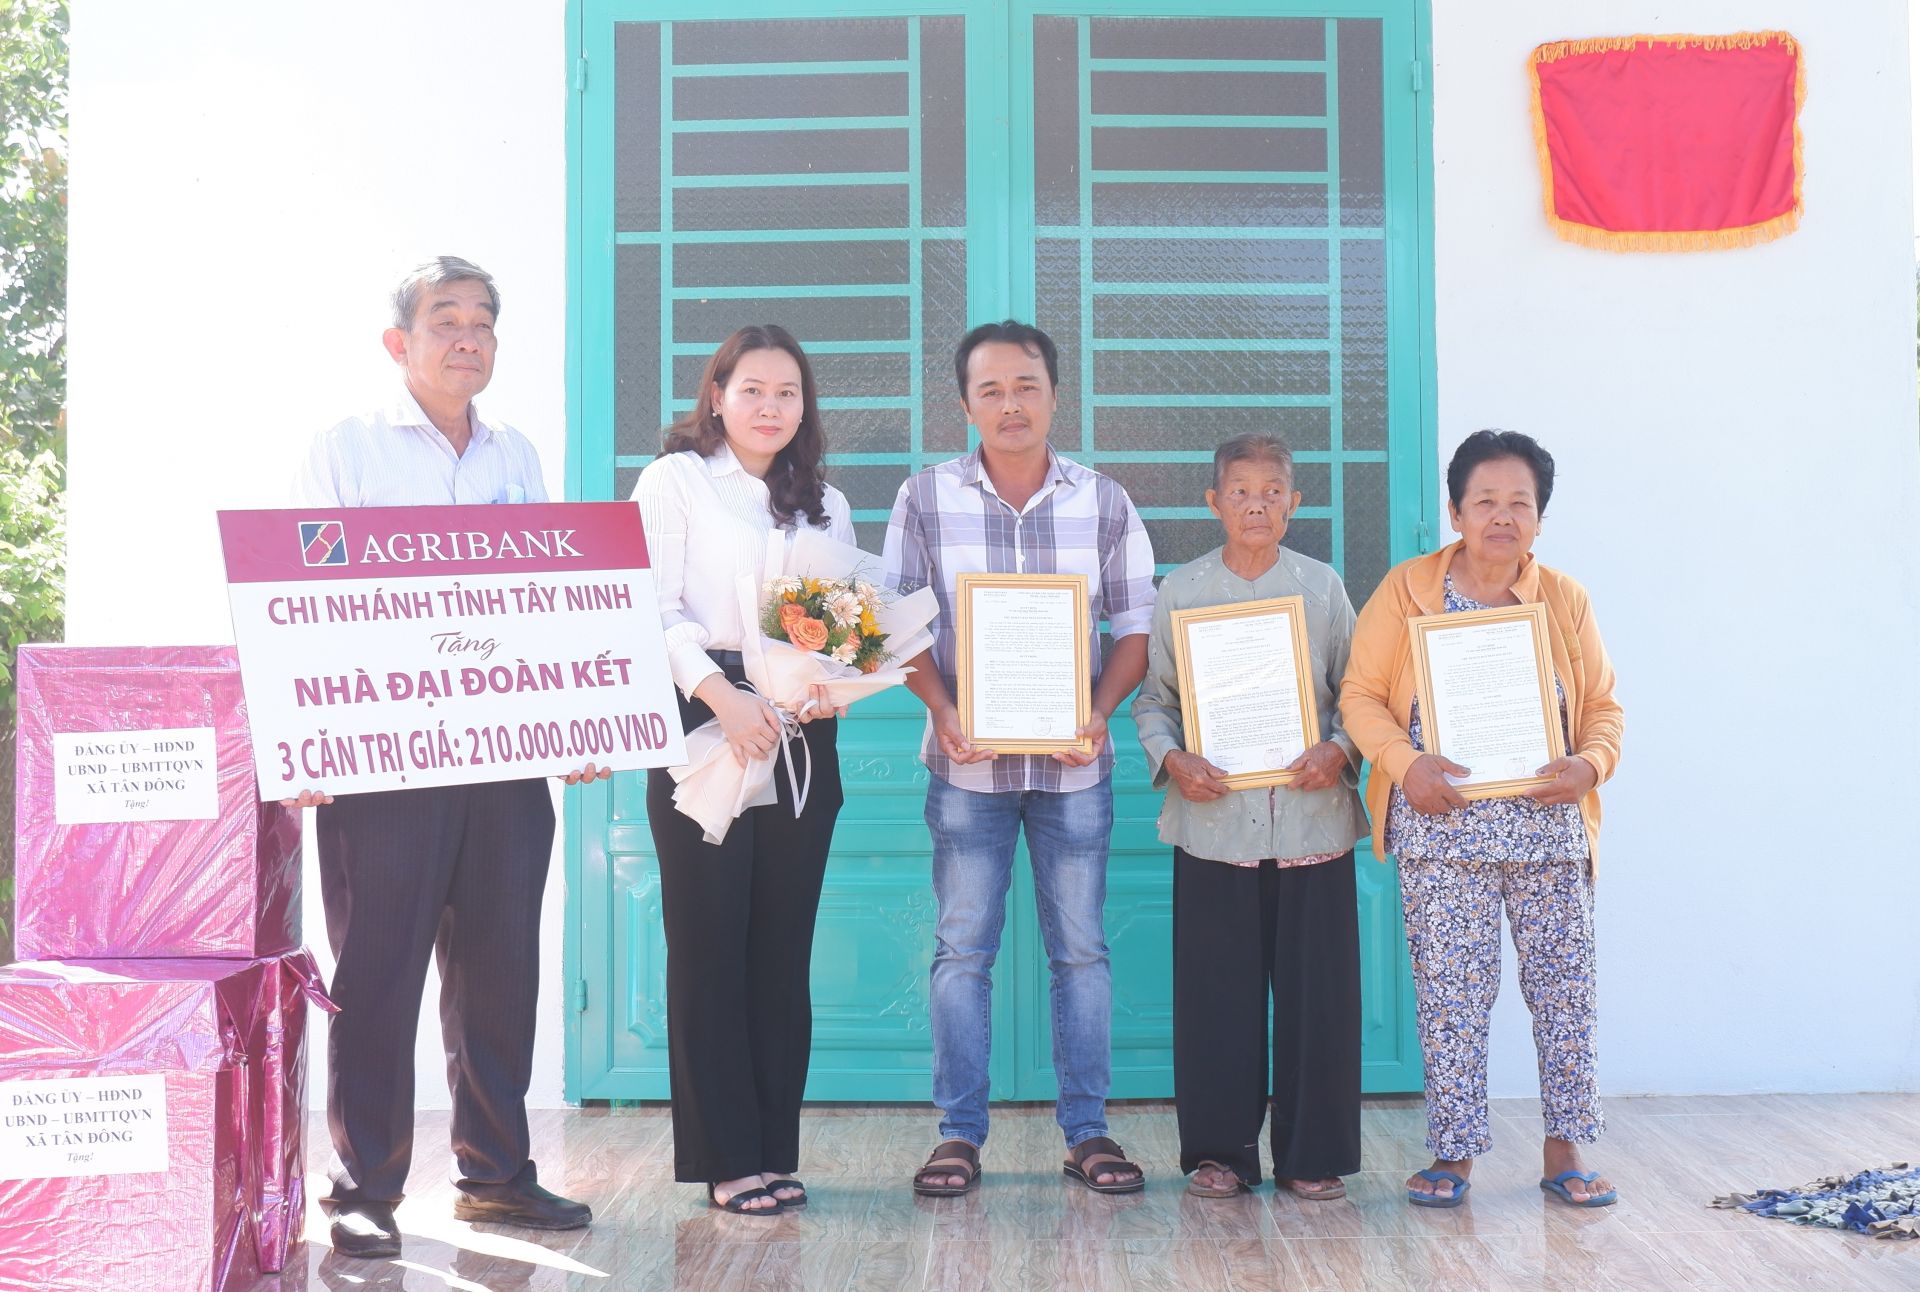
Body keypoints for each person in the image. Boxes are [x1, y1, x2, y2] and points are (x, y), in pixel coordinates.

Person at [290, 257, 604, 1258]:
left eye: (483, 322)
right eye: (445, 320)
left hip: (503, 762)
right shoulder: (347, 450)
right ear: (400, 342)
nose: (468, 337)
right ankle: (364, 1189)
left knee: (500, 971)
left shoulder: (516, 454)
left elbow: (551, 601)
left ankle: (497, 1175)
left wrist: (580, 722)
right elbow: (301, 596)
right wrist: (306, 737)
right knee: (378, 973)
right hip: (385, 763)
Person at [882, 320, 1156, 1197]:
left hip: (1075, 771)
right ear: (965, 404)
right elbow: (897, 626)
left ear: (1054, 396)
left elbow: (1136, 628)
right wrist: (943, 708)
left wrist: (1100, 712)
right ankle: (958, 1134)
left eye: (1026, 386)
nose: (1011, 404)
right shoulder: (924, 498)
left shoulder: (1104, 501)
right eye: (991, 390)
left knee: (1081, 953)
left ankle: (1089, 1131)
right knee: (962, 951)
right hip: (968, 769)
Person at [1340, 429, 1624, 1209]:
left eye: (1519, 504)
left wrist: (1590, 765)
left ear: (1540, 519)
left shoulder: (1564, 599)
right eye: (1485, 501)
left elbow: (1603, 708)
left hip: (1548, 831)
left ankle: (1566, 1150)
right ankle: (1455, 1153)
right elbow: (1361, 696)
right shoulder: (1406, 591)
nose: (1502, 517)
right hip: (1442, 829)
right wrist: (1405, 765)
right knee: (1453, 1002)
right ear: (1456, 512)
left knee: (1565, 994)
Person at [630, 324, 851, 1215]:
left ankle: (770, 1149)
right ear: (717, 396)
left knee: (780, 951)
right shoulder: (674, 480)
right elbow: (650, 605)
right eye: (752, 389)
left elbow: (842, 619)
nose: (770, 407)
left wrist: (832, 683)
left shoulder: (825, 501)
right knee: (709, 946)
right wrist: (722, 697)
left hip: (799, 729)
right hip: (704, 715)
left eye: (787, 392)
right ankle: (725, 1158)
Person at [1130, 434, 1367, 1200]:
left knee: (1318, 1001)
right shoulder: (1183, 591)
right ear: (1215, 502)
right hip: (1214, 828)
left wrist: (1339, 748)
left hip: (1311, 822)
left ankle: (1312, 1154)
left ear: (1294, 503)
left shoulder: (1322, 587)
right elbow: (1155, 701)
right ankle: (1220, 1153)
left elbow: (1362, 693)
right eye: (1240, 491)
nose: (1256, 505)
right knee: (1216, 999)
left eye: (1272, 492)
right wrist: (1173, 759)